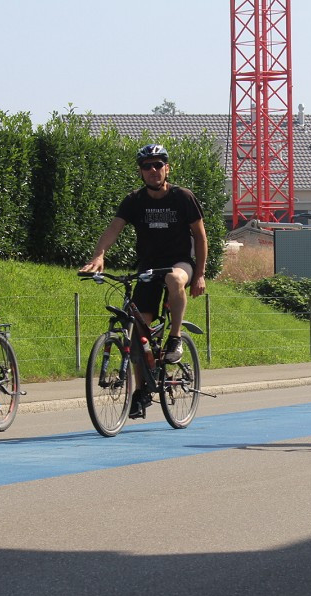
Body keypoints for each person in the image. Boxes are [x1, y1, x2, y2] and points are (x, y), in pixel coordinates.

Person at [80, 143, 208, 418]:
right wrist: (98, 256)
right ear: (140, 172)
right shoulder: (135, 200)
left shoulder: (183, 197)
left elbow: (200, 236)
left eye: (158, 164)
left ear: (167, 168)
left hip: (179, 263)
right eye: (147, 166)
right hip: (147, 268)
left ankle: (175, 339)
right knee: (138, 333)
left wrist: (199, 275)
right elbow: (113, 228)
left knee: (175, 279)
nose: (153, 170)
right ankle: (142, 391)